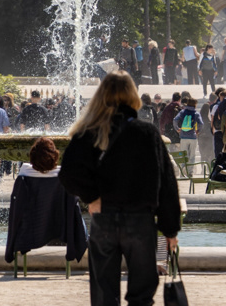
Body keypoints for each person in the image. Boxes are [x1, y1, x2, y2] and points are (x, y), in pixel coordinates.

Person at [59, 71, 180, 306]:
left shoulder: (89, 132)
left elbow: (68, 172)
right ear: (133, 95)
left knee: (104, 295)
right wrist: (170, 229)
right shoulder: (148, 133)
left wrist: (91, 197)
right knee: (142, 295)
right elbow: (167, 184)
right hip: (140, 221)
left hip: (105, 219)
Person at [172, 97, 203, 165]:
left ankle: (183, 170)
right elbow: (201, 123)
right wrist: (198, 131)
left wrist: (177, 128)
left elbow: (175, 120)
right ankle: (190, 172)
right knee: (192, 155)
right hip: (193, 136)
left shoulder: (183, 112)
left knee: (184, 155)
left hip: (183, 136)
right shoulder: (196, 113)